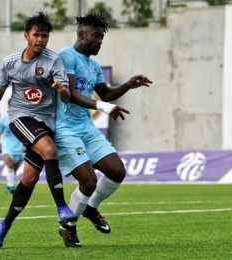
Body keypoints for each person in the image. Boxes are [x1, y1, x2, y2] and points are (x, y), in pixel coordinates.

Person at [0, 11, 80, 249]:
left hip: (46, 122)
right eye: (36, 35)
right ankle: (62, 207)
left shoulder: (54, 61)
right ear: (26, 36)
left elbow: (66, 95)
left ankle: (4, 226)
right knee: (50, 150)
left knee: (28, 180)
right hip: (21, 117)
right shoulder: (10, 62)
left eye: (45, 36)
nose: (41, 40)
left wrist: (61, 88)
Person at [54, 13, 152, 237]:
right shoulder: (66, 57)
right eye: (95, 36)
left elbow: (106, 93)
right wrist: (104, 107)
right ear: (81, 34)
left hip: (86, 128)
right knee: (88, 182)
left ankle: (91, 208)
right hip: (66, 129)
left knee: (117, 171)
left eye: (101, 38)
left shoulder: (94, 66)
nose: (99, 41)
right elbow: (69, 94)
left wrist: (128, 85)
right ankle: (68, 226)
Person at [0, 113, 24, 194]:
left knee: (14, 170)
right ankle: (11, 187)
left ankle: (10, 186)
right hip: (7, 148)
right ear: (9, 108)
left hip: (19, 148)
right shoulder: (4, 119)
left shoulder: (22, 118)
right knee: (10, 166)